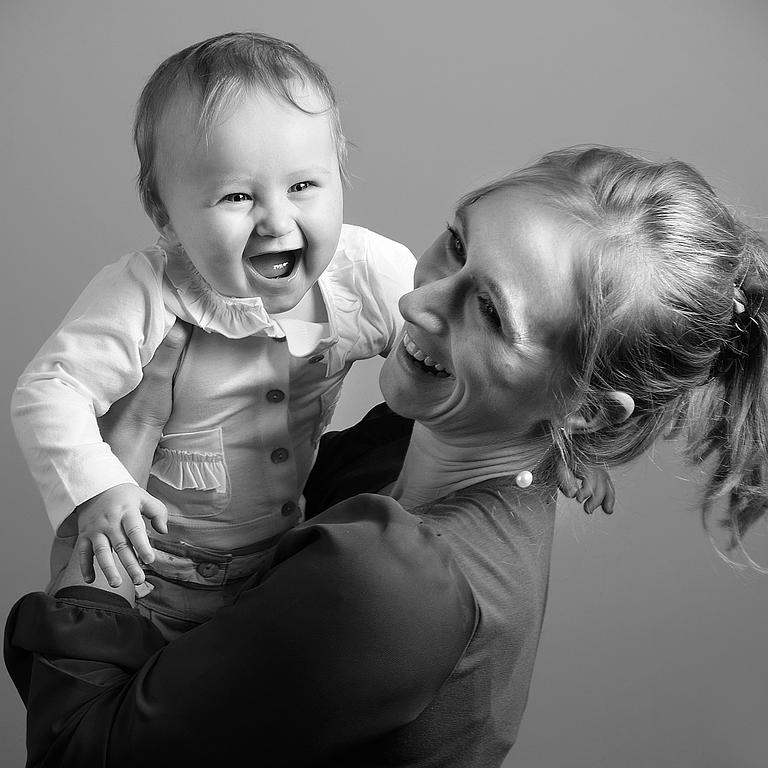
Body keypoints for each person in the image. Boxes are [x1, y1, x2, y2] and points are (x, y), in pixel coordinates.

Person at [7, 146, 767, 767]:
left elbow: (77, 753)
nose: (416, 301)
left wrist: (117, 476)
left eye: (492, 312)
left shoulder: (392, 583)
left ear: (584, 408)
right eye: (458, 244)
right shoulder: (424, 445)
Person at [10, 32, 416, 637]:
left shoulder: (360, 274)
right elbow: (50, 388)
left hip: (275, 568)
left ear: (340, 173)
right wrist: (98, 489)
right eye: (236, 196)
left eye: (303, 185)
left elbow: (458, 345)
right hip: (146, 578)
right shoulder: (146, 291)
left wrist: (558, 428)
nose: (277, 220)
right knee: (127, 705)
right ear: (162, 210)